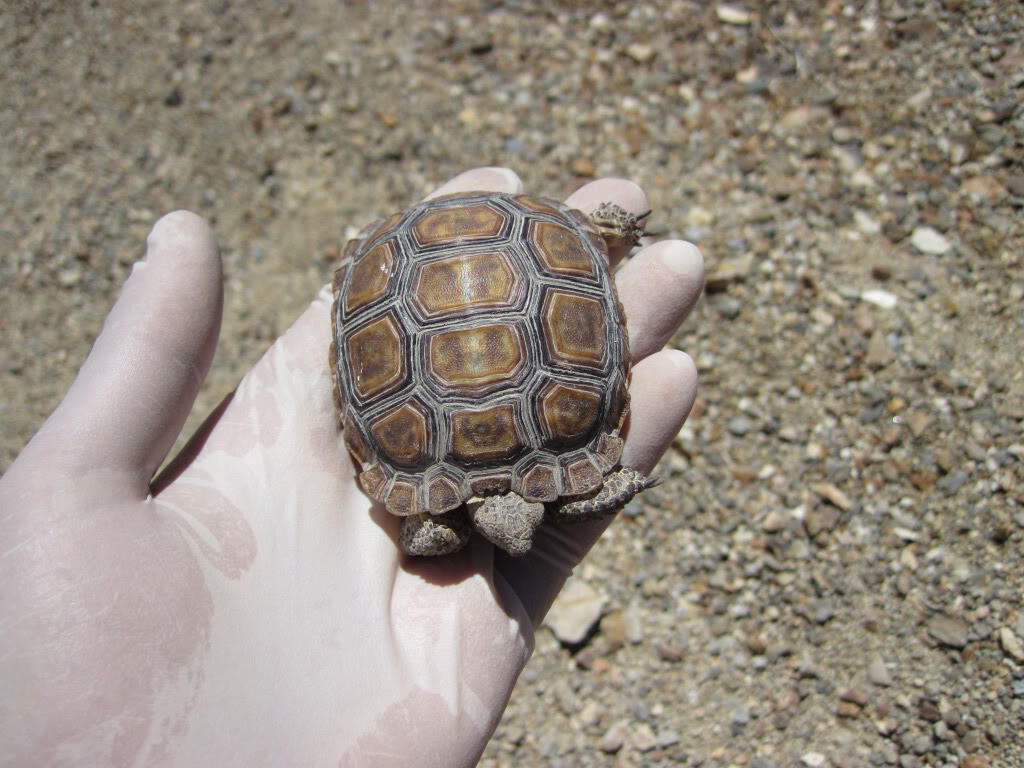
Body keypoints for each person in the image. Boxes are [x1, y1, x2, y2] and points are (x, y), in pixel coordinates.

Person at [0, 167, 704, 766]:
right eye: (512, 525)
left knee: (438, 534)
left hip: (443, 276)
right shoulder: (452, 518)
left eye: (513, 523)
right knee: (437, 536)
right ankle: (586, 232)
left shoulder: (446, 510)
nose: (514, 539)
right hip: (496, 262)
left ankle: (588, 231)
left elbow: (507, 525)